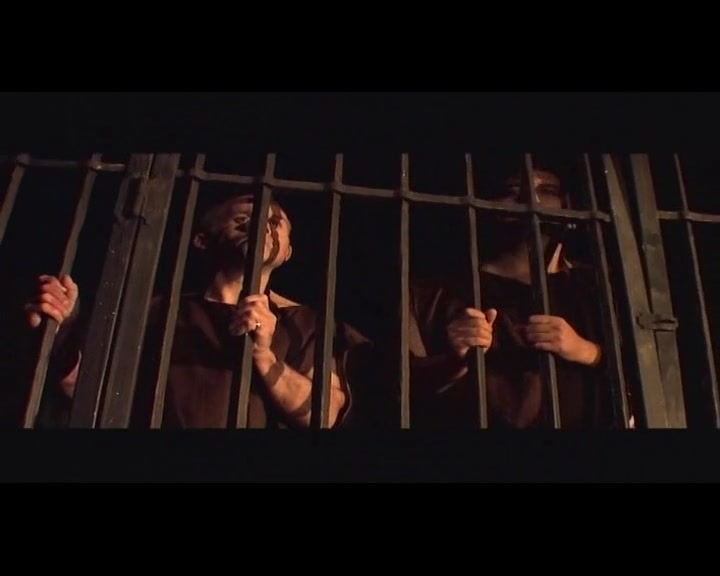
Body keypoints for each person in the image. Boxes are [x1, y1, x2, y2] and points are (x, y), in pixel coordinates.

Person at [22, 193, 370, 429]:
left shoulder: (307, 322)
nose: (262, 224)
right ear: (202, 239)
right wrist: (60, 334)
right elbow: (91, 396)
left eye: (275, 221)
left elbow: (325, 414)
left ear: (288, 251)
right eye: (243, 218)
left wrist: (264, 357)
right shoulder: (154, 310)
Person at [409, 164, 616, 429]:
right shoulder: (435, 293)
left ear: (569, 205)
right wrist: (455, 360)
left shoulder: (598, 286)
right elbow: (395, 389)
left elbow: (650, 370)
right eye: (513, 189)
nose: (531, 198)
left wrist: (586, 350)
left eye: (547, 190)